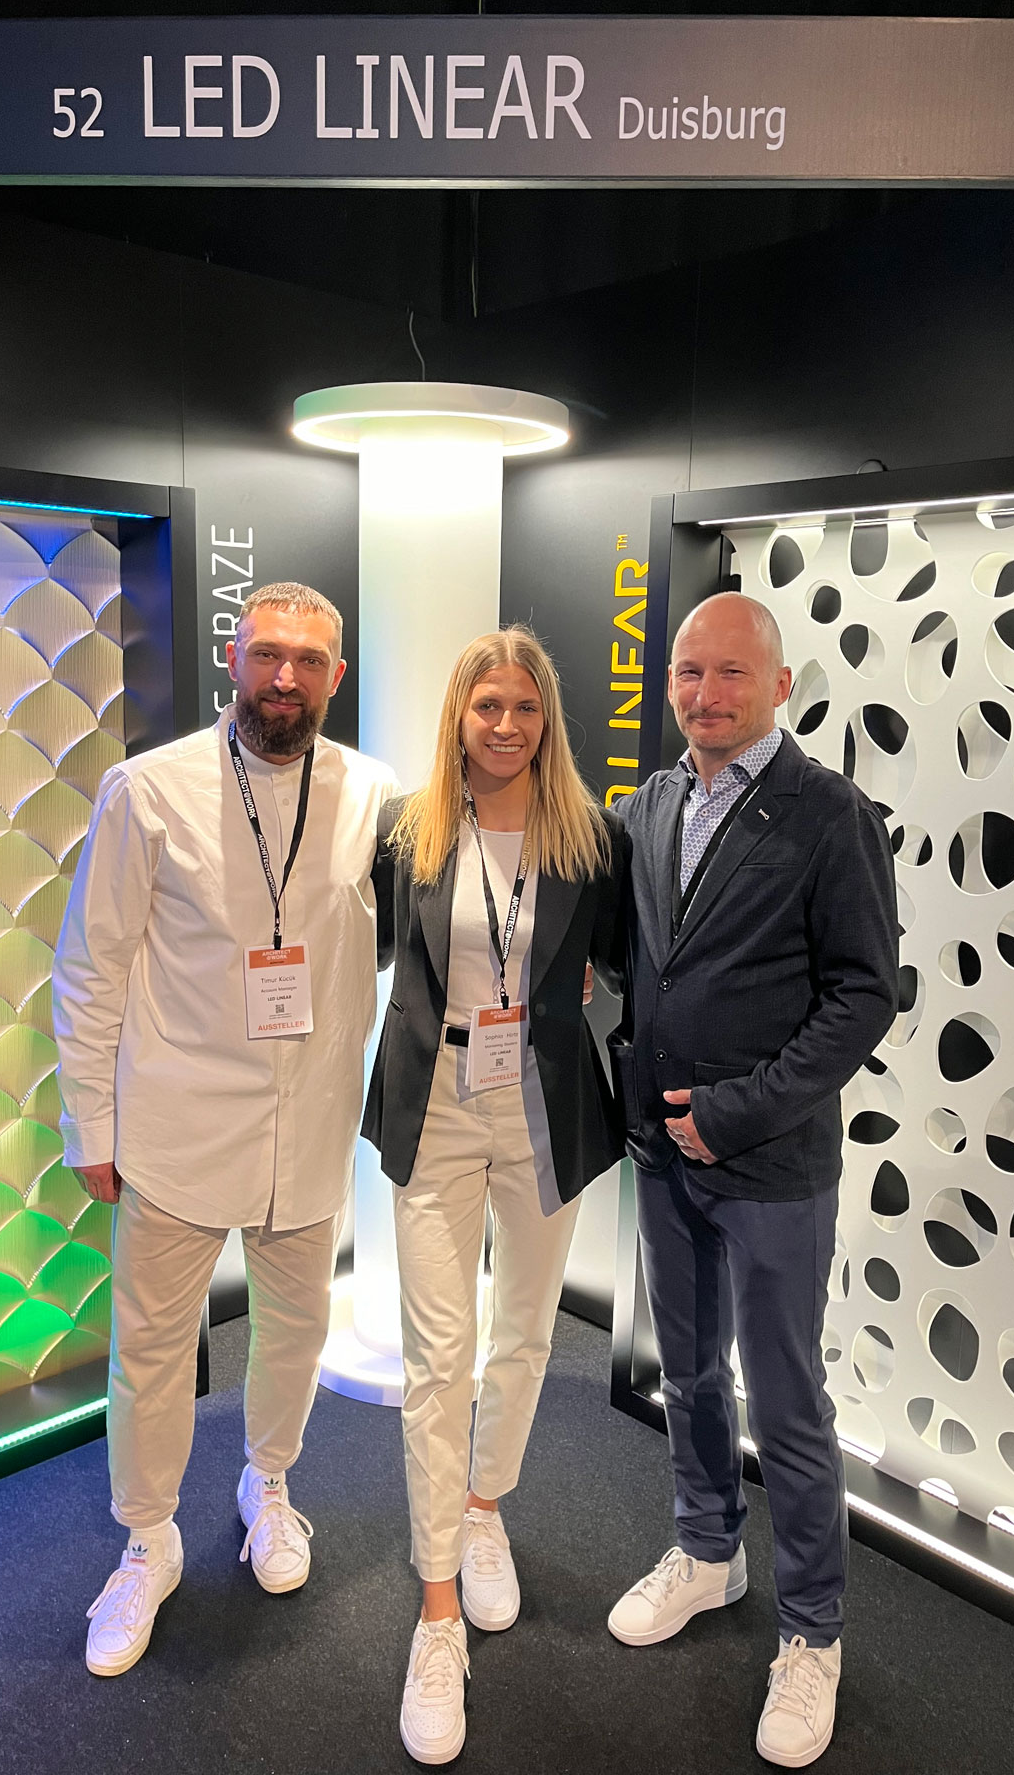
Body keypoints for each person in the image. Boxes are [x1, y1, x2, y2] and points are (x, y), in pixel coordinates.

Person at [53, 581, 397, 1677]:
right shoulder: (146, 791)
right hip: (175, 1125)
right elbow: (91, 966)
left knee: (295, 1331)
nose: (285, 678)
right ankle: (146, 1542)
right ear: (234, 660)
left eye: (308, 660)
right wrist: (89, 1123)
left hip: (309, 1127)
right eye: (266, 655)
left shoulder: (373, 795)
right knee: (154, 1351)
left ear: (336, 677)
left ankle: (269, 1484)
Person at [608, 592, 898, 1768]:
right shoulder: (649, 805)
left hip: (770, 1163)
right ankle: (708, 1551)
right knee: (686, 1374)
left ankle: (814, 1630)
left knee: (786, 1404)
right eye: (689, 671)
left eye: (731, 672)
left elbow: (863, 997)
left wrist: (731, 1116)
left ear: (780, 686)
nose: (706, 692)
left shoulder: (831, 815)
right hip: (660, 1153)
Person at [363, 626, 628, 1766]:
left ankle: (483, 1510)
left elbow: (626, 967)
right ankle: (436, 1615)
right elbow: (359, 954)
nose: (506, 725)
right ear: (458, 716)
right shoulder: (409, 830)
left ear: (546, 718)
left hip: (541, 1107)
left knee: (523, 1335)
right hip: (437, 1103)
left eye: (524, 707)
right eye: (487, 706)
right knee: (438, 1356)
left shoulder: (588, 837)